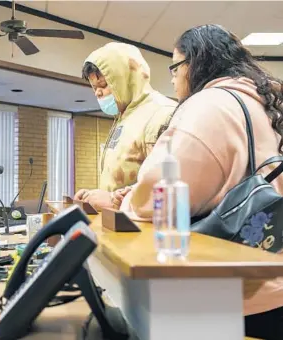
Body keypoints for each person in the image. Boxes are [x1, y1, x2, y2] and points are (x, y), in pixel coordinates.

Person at [119, 25, 283, 339]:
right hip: (272, 278)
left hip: (237, 297)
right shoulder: (263, 103)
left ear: (193, 64)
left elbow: (160, 190)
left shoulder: (208, 106)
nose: (172, 76)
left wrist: (124, 201)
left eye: (174, 66)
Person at [73, 42, 177, 211]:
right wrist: (95, 195)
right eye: (94, 88)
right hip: (121, 225)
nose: (98, 93)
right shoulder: (125, 116)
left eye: (104, 85)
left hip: (146, 231)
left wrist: (114, 201)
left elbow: (167, 191)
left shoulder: (161, 113)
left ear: (125, 79)